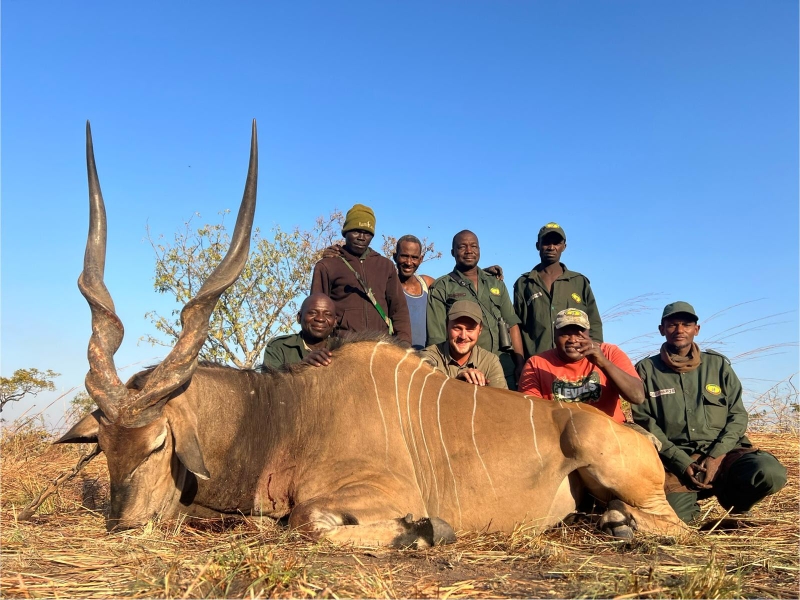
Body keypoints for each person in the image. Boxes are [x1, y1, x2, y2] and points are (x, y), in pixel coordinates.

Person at [632, 301, 787, 523]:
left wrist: (716, 456)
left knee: (769, 472)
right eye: (672, 324)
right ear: (661, 329)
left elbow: (738, 416)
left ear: (696, 329)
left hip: (725, 454)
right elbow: (645, 422)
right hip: (677, 460)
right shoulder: (646, 370)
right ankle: (697, 515)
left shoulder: (718, 366)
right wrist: (681, 462)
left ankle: (737, 504)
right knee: (677, 521)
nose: (680, 330)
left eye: (686, 324)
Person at [427, 230, 524, 389]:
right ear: (453, 252)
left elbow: (512, 324)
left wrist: (519, 364)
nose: (469, 251)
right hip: (464, 371)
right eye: (462, 247)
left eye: (474, 246)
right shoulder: (442, 286)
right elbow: (435, 338)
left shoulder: (496, 283)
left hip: (503, 366)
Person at [517, 308, 643, 422]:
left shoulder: (609, 353)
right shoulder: (536, 364)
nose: (573, 340)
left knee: (648, 439)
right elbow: (533, 415)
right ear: (554, 335)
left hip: (613, 430)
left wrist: (603, 363)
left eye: (579, 334)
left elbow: (637, 397)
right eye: (565, 333)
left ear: (588, 334)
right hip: (559, 433)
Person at [311, 204, 412, 344]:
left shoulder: (385, 266)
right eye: (356, 231)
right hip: (342, 345)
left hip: (380, 346)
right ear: (345, 232)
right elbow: (315, 311)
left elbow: (399, 309)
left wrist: (404, 344)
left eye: (367, 233)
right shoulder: (327, 265)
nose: (361, 237)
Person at [513, 222, 603, 360]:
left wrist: (595, 356)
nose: (551, 247)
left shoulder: (579, 282)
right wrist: (520, 362)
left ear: (564, 247)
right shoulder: (524, 283)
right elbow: (516, 326)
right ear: (538, 246)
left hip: (575, 359)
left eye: (556, 243)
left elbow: (594, 322)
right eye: (546, 243)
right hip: (538, 361)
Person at [421, 301, 507, 389]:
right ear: (447, 326)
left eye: (470, 329)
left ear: (480, 330)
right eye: (457, 328)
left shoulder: (490, 362)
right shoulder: (427, 358)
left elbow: (500, 397)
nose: (463, 336)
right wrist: (458, 382)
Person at [263, 293, 337, 368]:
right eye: (313, 313)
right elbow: (270, 375)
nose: (320, 319)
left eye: (327, 314)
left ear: (335, 322)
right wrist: (300, 367)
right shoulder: (278, 347)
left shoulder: (341, 348)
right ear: (299, 317)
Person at [393, 235, 436, 350]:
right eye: (404, 256)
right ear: (395, 257)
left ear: (420, 259)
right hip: (399, 354)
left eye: (414, 257)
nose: (408, 262)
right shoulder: (389, 286)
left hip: (427, 355)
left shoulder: (427, 284)